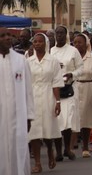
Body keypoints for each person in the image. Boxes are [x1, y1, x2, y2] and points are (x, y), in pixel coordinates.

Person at [0, 27, 34, 175]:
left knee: (17, 146)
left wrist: (29, 116)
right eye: (3, 36)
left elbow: (28, 89)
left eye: (9, 35)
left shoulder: (21, 60)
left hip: (17, 115)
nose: (8, 38)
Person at [28, 33, 64, 172]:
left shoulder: (53, 61)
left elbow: (56, 82)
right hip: (33, 97)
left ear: (46, 43)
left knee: (48, 129)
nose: (37, 44)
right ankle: (37, 163)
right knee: (34, 131)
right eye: (35, 42)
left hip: (49, 95)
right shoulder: (28, 61)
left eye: (40, 42)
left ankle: (50, 151)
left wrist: (58, 102)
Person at [51, 25, 83, 161]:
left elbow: (81, 68)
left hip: (69, 89)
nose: (59, 35)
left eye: (62, 33)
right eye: (57, 33)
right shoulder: (51, 51)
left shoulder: (73, 51)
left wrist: (72, 74)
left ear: (66, 35)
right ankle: (58, 152)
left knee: (68, 120)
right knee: (57, 121)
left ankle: (68, 149)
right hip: (55, 91)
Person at [72, 34, 92, 158]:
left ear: (86, 43)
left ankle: (85, 147)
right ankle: (70, 147)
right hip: (74, 87)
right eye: (75, 42)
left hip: (89, 88)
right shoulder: (71, 57)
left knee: (86, 119)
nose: (77, 45)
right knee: (72, 117)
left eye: (80, 42)